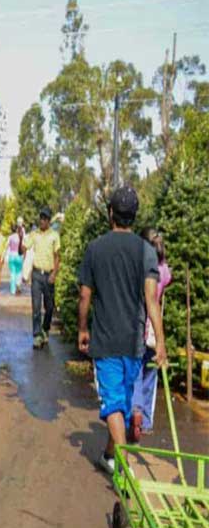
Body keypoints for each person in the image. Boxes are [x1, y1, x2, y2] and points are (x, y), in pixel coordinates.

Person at [78, 187, 167, 476]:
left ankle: (123, 468)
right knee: (122, 404)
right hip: (134, 343)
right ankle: (109, 455)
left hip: (106, 340)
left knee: (116, 403)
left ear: (110, 214)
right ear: (134, 216)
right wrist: (161, 342)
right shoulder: (146, 252)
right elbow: (152, 300)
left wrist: (82, 329)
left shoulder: (95, 248)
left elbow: (84, 297)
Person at [129, 228, 172, 441]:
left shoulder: (143, 268)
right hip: (155, 332)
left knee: (135, 370)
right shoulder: (164, 271)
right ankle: (145, 421)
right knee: (150, 374)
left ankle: (135, 409)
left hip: (139, 327)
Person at [23, 207, 60, 349]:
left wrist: (54, 274)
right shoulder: (34, 234)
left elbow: (57, 257)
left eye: (45, 219)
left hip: (49, 275)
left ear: (49, 221)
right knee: (36, 307)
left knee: (49, 307)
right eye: (41, 218)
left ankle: (45, 329)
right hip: (37, 274)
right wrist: (23, 249)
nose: (42, 221)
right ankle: (37, 335)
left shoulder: (54, 235)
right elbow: (25, 247)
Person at [6, 222, 25, 295]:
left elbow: (7, 247)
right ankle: (18, 286)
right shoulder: (19, 236)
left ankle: (12, 290)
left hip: (11, 257)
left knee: (12, 274)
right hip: (19, 257)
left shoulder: (10, 237)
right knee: (19, 273)